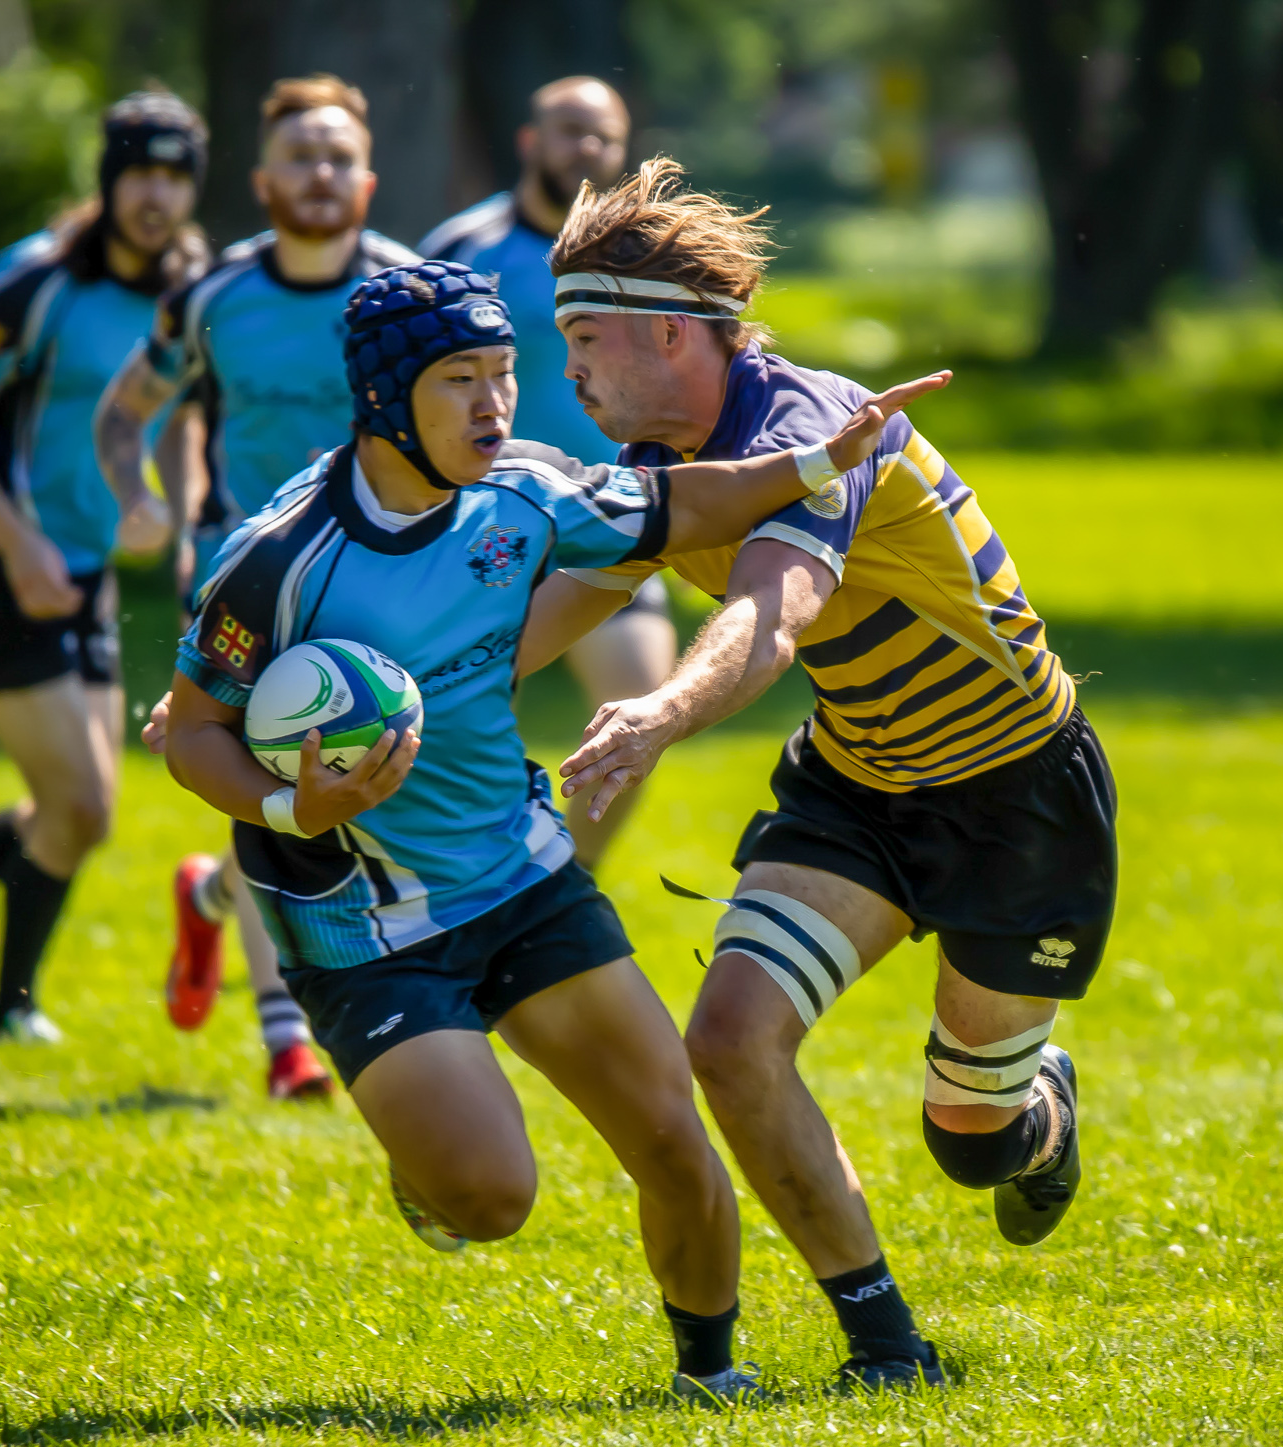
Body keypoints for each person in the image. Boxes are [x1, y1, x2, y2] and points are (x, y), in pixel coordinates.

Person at [161, 261, 945, 1398]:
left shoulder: (524, 500)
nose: (495, 405)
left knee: (672, 1137)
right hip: (361, 921)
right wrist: (295, 804)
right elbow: (190, 737)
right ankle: (433, 1161)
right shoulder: (276, 561)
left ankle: (709, 1379)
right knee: (491, 1197)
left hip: (521, 877)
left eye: (504, 376)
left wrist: (822, 456)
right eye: (460, 381)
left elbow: (690, 505)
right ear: (385, 399)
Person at [526, 160, 1117, 1391]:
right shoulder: (651, 463)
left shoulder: (808, 429)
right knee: (732, 1039)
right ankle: (887, 1346)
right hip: (856, 785)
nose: (566, 366)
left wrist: (658, 711)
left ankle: (1033, 1106)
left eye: (584, 334)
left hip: (1019, 798)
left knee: (973, 1143)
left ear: (668, 330)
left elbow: (771, 613)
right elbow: (540, 613)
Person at [96, 74, 420, 1100]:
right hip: (251, 582)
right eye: (299, 156)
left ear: (366, 177)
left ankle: (211, 901)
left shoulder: (408, 294)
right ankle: (288, 1039)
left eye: (337, 156)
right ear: (261, 178)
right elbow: (122, 415)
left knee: (374, 799)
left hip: (385, 573)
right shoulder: (211, 299)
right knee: (275, 794)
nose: (319, 174)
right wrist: (140, 498)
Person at [0, 92, 207, 1041]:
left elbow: (181, 417)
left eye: (177, 177)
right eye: (142, 171)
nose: (158, 194)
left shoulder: (190, 289)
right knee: (83, 799)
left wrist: (181, 531)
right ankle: (8, 1007)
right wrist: (18, 543)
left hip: (84, 571)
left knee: (78, 813)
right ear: (109, 178)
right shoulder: (39, 283)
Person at [420, 76, 676, 869]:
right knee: (427, 737)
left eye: (603, 135)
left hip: (606, 517)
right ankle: (227, 887)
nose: (587, 149)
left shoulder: (650, 257)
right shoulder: (464, 249)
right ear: (531, 142)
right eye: (569, 130)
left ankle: (558, 886)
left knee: (637, 716)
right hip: (478, 526)